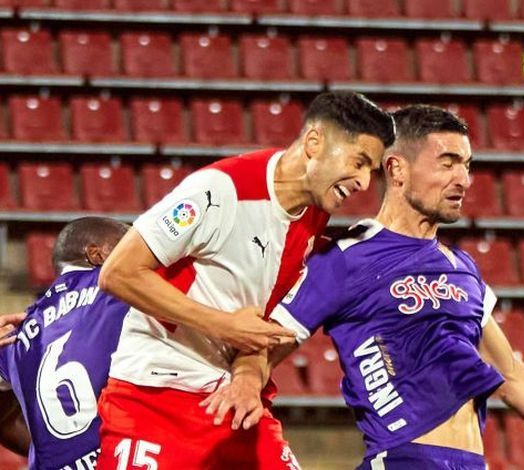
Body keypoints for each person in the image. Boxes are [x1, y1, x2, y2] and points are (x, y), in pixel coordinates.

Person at [204, 105, 524, 469]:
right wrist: (245, 380)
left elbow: (510, 375)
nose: (463, 178)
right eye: (447, 162)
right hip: (404, 457)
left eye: (467, 164)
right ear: (397, 169)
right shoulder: (346, 258)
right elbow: (264, 341)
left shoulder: (462, 268)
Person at [96, 91, 395, 469]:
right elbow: (118, 273)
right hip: (153, 395)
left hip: (228, 402)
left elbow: (256, 322)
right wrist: (223, 326)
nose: (365, 183)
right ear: (314, 142)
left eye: (372, 171)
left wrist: (248, 376)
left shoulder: (311, 217)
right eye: (360, 162)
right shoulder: (220, 190)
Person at [0, 216, 130, 469]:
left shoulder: (16, 333)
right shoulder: (118, 288)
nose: (138, 255)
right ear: (97, 254)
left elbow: (2, 421)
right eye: (127, 246)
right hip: (122, 458)